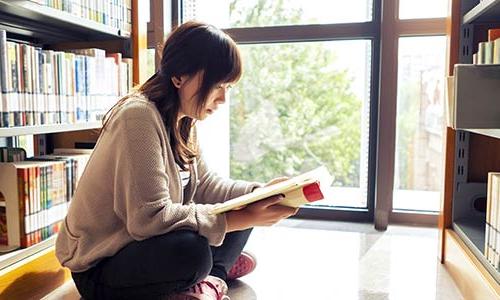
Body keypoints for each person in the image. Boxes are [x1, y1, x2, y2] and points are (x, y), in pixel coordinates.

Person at [55, 21, 298, 300]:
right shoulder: (138, 116)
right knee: (193, 251)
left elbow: (206, 185)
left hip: (140, 245)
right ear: (180, 76)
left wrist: (261, 192)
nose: (223, 99)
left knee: (245, 208)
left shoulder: (183, 120)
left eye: (228, 87)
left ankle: (211, 278)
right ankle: (211, 268)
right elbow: (148, 218)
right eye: (218, 85)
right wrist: (234, 218)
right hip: (101, 266)